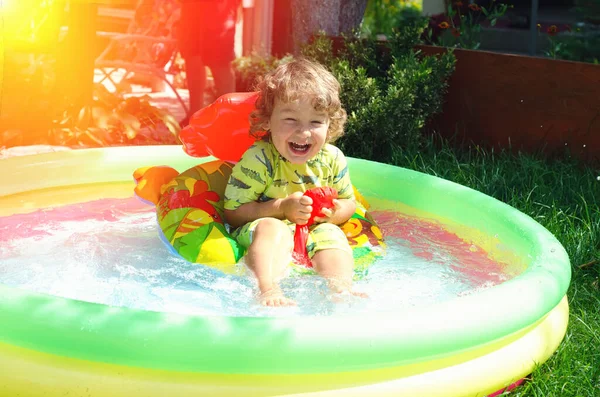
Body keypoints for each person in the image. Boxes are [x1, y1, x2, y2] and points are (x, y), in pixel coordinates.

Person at [223, 58, 367, 307]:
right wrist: (281, 208)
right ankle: (267, 289)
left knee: (331, 234)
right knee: (272, 228)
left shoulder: (332, 158)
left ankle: (341, 289)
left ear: (329, 124)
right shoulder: (260, 159)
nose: (304, 132)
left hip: (313, 228)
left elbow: (349, 202)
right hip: (265, 224)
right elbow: (233, 213)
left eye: (315, 122)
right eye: (291, 120)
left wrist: (333, 213)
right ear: (267, 120)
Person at [177, 0, 240, 125]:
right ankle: (195, 116)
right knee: (192, 55)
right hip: (191, 6)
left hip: (219, 7)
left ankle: (227, 120)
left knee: (220, 59)